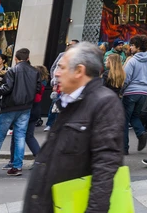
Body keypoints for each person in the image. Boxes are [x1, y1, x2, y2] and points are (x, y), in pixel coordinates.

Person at [22, 43, 123, 212]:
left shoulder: (104, 103)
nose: (56, 73)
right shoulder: (69, 101)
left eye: (62, 67)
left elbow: (105, 167)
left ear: (79, 71)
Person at [0, 48, 39, 176]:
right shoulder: (34, 71)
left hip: (10, 107)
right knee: (20, 136)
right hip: (26, 107)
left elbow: (6, 89)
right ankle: (17, 166)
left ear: (16, 58)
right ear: (27, 58)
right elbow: (37, 88)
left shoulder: (13, 70)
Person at [121, 35, 147, 154]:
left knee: (124, 120)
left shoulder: (132, 60)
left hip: (130, 92)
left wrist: (121, 91)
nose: (130, 47)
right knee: (135, 116)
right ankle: (141, 133)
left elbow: (126, 79)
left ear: (137, 47)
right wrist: (145, 85)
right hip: (143, 92)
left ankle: (124, 148)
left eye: (132, 45)